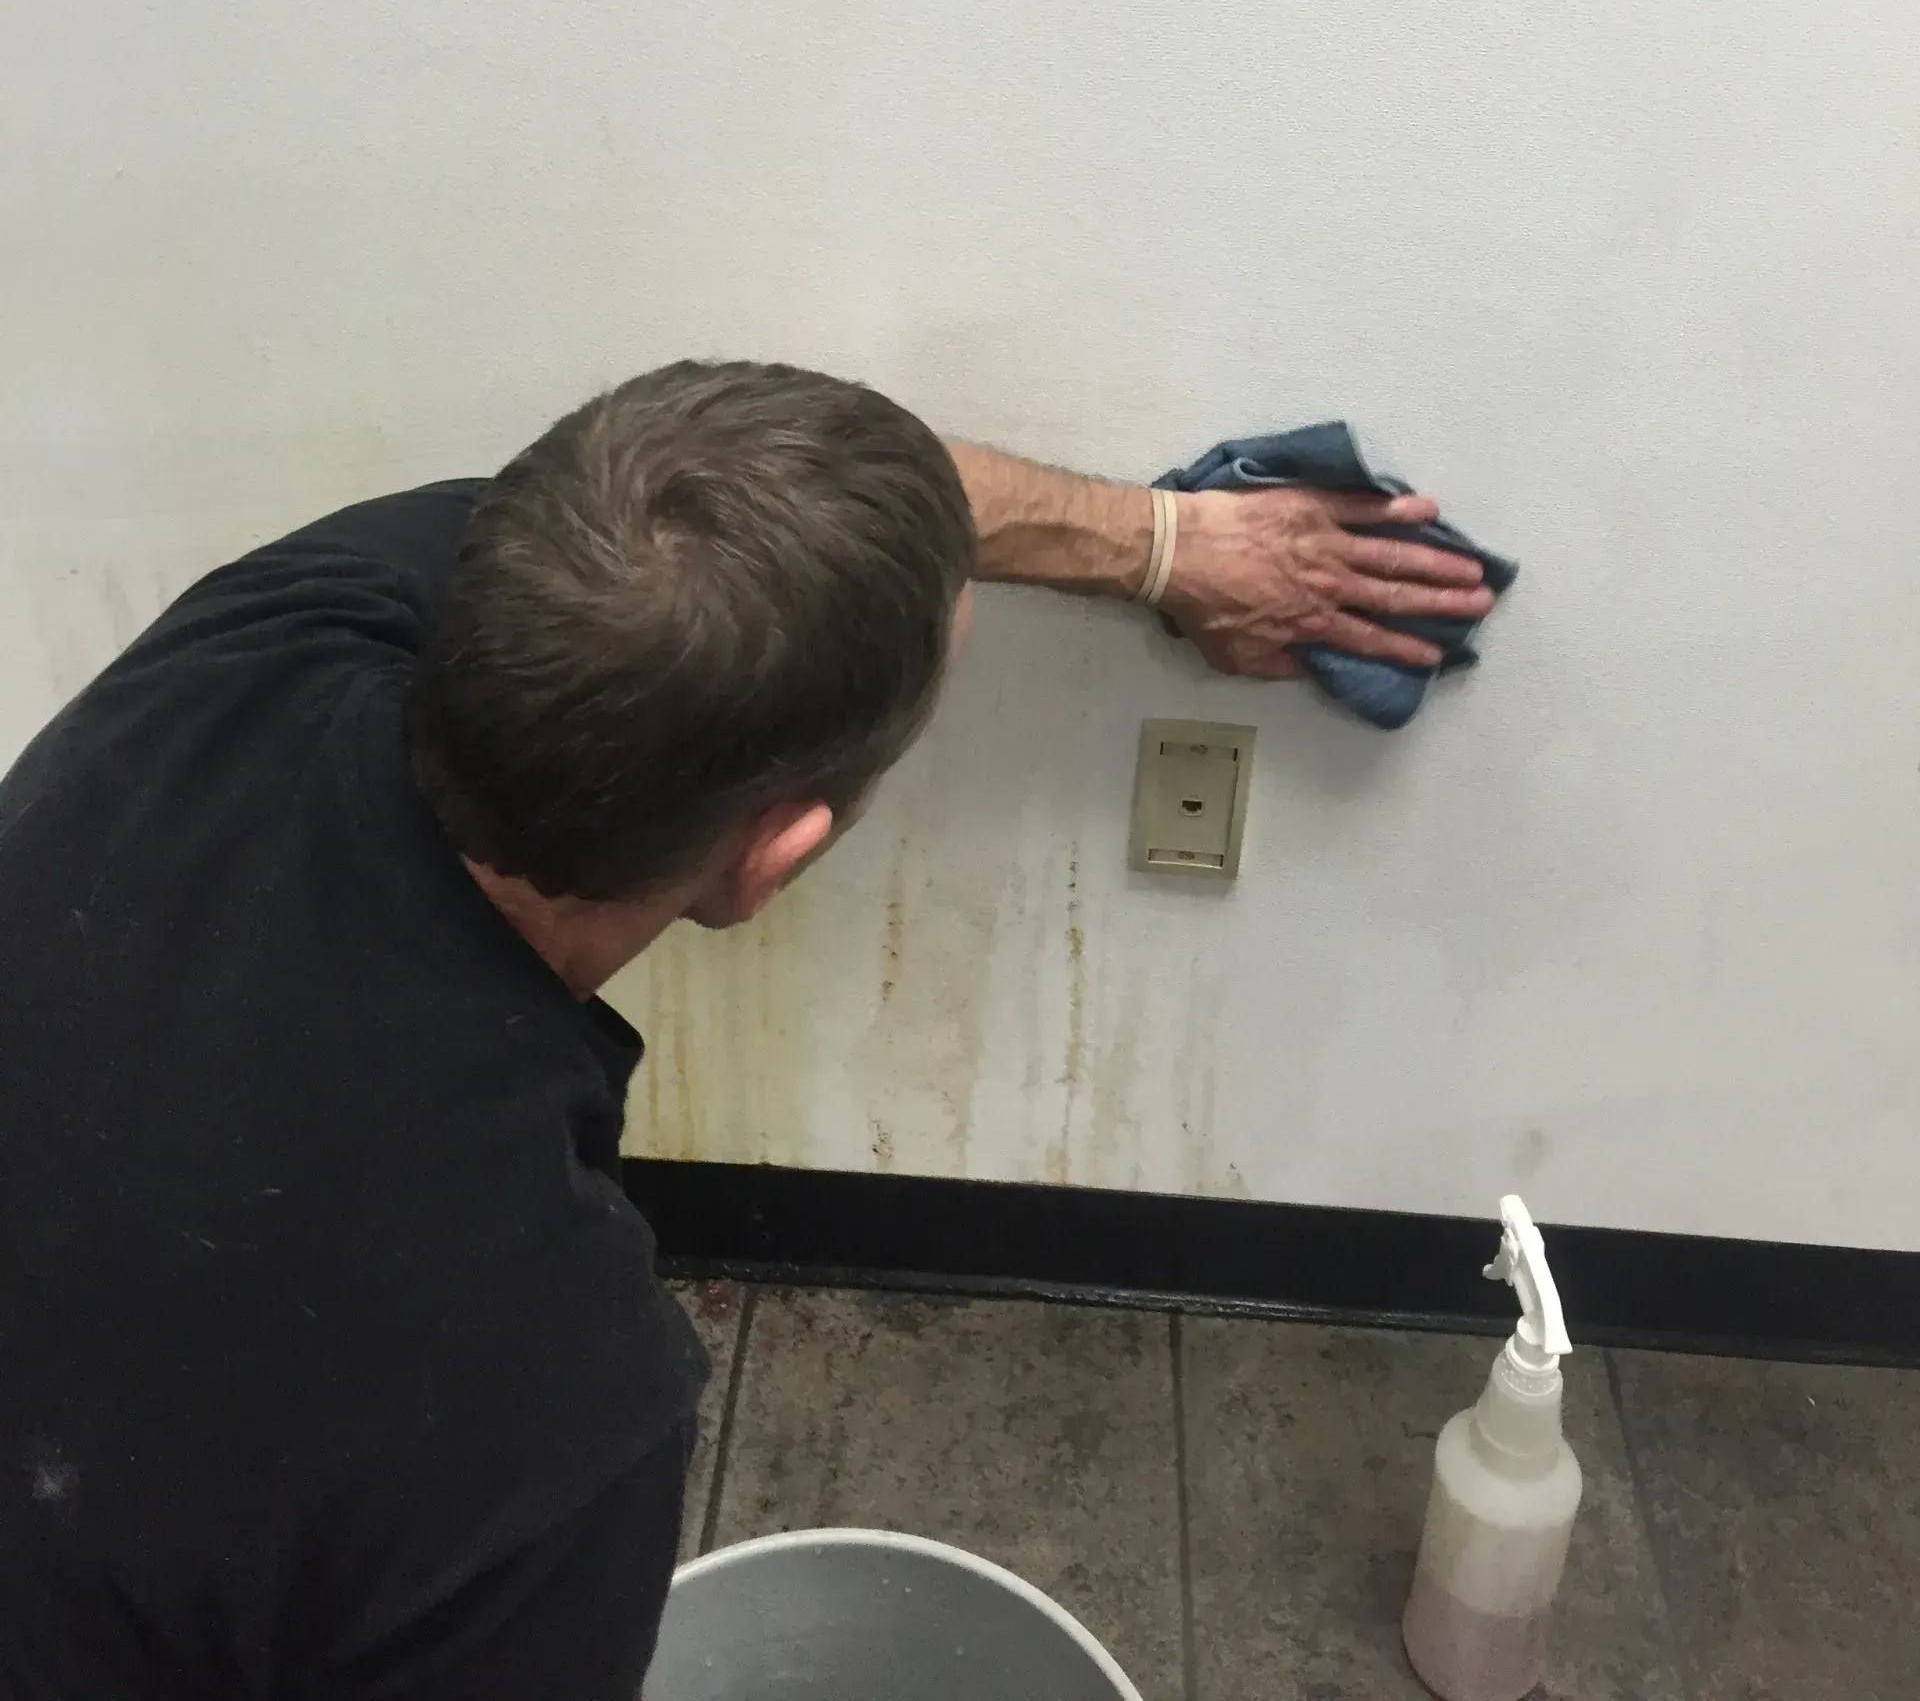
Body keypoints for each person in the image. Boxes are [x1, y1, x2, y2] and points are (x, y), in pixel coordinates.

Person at [0, 360, 1490, 1698]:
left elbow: (794, 503)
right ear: (770, 860)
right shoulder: (533, 1404)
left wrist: (1169, 547)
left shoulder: (289, 627)